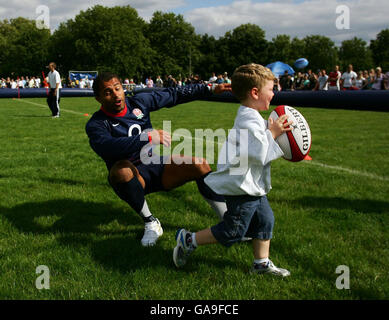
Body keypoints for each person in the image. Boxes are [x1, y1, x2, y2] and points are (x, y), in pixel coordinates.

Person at [172, 63, 292, 277]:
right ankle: (189, 240)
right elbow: (259, 151)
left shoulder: (252, 116)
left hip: (252, 184)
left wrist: (272, 129)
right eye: (271, 89)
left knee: (265, 221)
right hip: (241, 186)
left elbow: (259, 141)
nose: (274, 94)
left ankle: (261, 264)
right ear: (255, 92)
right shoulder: (248, 118)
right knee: (233, 230)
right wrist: (272, 133)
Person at [85, 72, 232, 247]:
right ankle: (150, 222)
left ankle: (229, 223)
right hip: (133, 176)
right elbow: (107, 146)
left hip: (156, 166)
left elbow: (174, 94)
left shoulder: (138, 102)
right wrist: (145, 138)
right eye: (108, 92)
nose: (116, 94)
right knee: (121, 171)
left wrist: (209, 88)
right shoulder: (96, 124)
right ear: (98, 98)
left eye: (118, 88)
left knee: (199, 164)